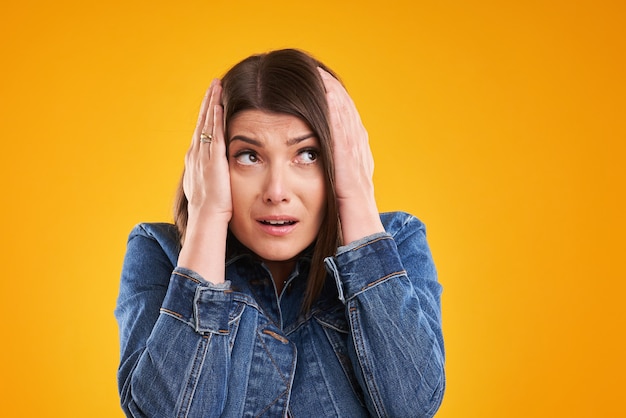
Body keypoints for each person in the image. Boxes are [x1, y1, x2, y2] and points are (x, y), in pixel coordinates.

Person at [115, 49, 445, 417]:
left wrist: (356, 196)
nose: (276, 191)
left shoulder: (398, 242)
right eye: (248, 156)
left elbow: (412, 408)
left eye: (307, 154)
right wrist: (207, 214)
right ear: (212, 163)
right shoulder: (159, 252)